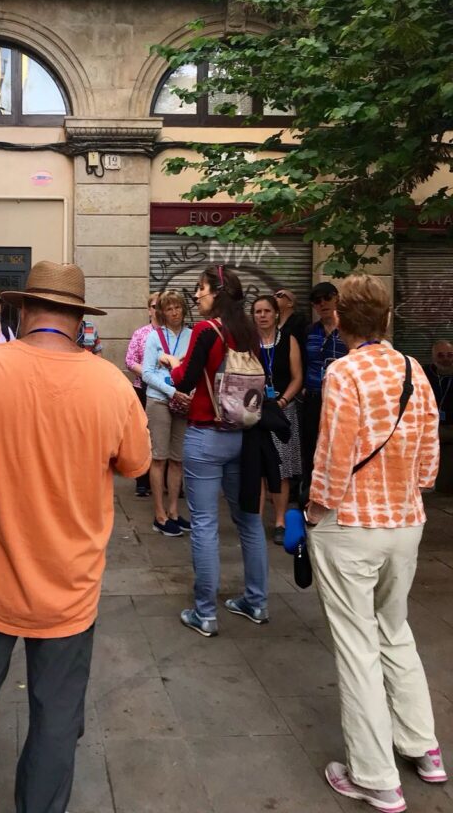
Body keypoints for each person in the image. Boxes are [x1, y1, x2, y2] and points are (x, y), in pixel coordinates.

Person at [0, 261, 151, 813]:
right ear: (78, 318)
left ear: (22, 308)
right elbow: (136, 465)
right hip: (70, 588)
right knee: (57, 718)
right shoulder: (111, 383)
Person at [305, 274, 447, 811]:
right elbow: (430, 458)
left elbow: (334, 452)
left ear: (339, 318)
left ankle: (375, 777)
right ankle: (423, 748)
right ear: (386, 319)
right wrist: (410, 490)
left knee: (357, 646)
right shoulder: (415, 370)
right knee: (396, 630)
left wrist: (316, 507)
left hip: (351, 526)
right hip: (405, 522)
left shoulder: (344, 372)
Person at [162, 265, 268, 638]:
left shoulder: (207, 331)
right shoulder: (249, 332)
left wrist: (172, 365)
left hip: (207, 435)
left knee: (205, 523)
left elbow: (186, 381)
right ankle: (256, 601)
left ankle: (205, 612)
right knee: (249, 521)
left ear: (217, 292)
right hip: (244, 434)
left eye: (200, 289)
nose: (196, 296)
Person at [252, 294, 303, 543]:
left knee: (281, 468)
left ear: (275, 314)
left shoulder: (288, 340)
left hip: (283, 410)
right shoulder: (249, 342)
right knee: (258, 468)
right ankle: (256, 521)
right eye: (258, 312)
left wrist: (283, 401)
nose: (262, 316)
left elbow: (297, 376)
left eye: (266, 311)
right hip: (256, 411)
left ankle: (280, 521)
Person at [141, 290, 191, 536]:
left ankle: (173, 511)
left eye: (177, 307)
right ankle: (159, 514)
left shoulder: (192, 335)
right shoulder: (154, 337)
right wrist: (172, 392)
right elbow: (147, 374)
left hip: (184, 402)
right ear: (162, 312)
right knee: (159, 457)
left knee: (177, 459)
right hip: (160, 400)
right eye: (169, 308)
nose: (174, 312)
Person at [300, 282, 348, 497]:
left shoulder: (348, 330)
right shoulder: (310, 331)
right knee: (311, 450)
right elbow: (301, 361)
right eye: (317, 301)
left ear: (337, 298)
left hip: (341, 400)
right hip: (313, 398)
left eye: (327, 298)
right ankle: (311, 496)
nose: (322, 304)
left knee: (339, 449)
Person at [125, 292, 159, 498]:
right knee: (143, 435)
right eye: (154, 306)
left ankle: (169, 481)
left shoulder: (175, 333)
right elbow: (130, 360)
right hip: (143, 389)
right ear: (149, 310)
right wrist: (149, 374)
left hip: (167, 391)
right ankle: (143, 481)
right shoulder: (141, 334)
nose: (158, 309)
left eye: (161, 305)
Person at [423, 339, 453, 493]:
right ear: (433, 357)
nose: (446, 359)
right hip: (428, 426)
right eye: (441, 355)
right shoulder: (423, 374)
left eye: (450, 355)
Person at [274, 287, 308, 360]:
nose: (275, 297)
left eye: (279, 295)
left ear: (290, 303)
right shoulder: (273, 324)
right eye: (274, 295)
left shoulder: (299, 323)